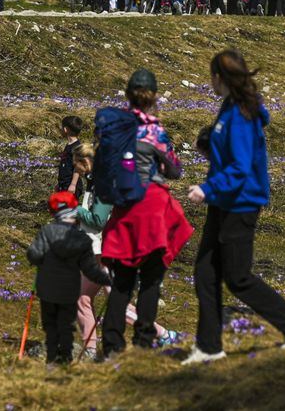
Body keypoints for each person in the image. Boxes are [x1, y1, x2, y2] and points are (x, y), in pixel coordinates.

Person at [184, 50, 285, 365]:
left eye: (212, 76)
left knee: (237, 277)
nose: (210, 82)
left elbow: (241, 167)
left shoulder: (242, 115)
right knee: (205, 272)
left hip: (240, 203)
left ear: (221, 77)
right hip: (223, 202)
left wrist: (207, 188)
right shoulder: (229, 108)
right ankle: (208, 346)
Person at [99, 70, 192, 359]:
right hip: (152, 207)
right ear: (153, 97)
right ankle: (143, 341)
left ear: (127, 95)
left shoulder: (113, 129)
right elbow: (174, 169)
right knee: (151, 279)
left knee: (122, 282)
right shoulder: (154, 130)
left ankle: (113, 346)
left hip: (125, 207)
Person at [27, 190, 112, 365]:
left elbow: (33, 254)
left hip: (47, 289)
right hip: (70, 291)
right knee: (66, 326)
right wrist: (105, 280)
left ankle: (51, 358)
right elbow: (89, 268)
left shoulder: (47, 231)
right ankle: (65, 358)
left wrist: (37, 259)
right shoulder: (82, 239)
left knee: (50, 326)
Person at [56, 115, 83, 197]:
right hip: (64, 184)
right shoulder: (69, 145)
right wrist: (59, 184)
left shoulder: (77, 147)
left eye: (62, 127)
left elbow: (78, 167)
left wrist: (73, 184)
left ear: (65, 129)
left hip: (71, 185)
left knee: (68, 208)